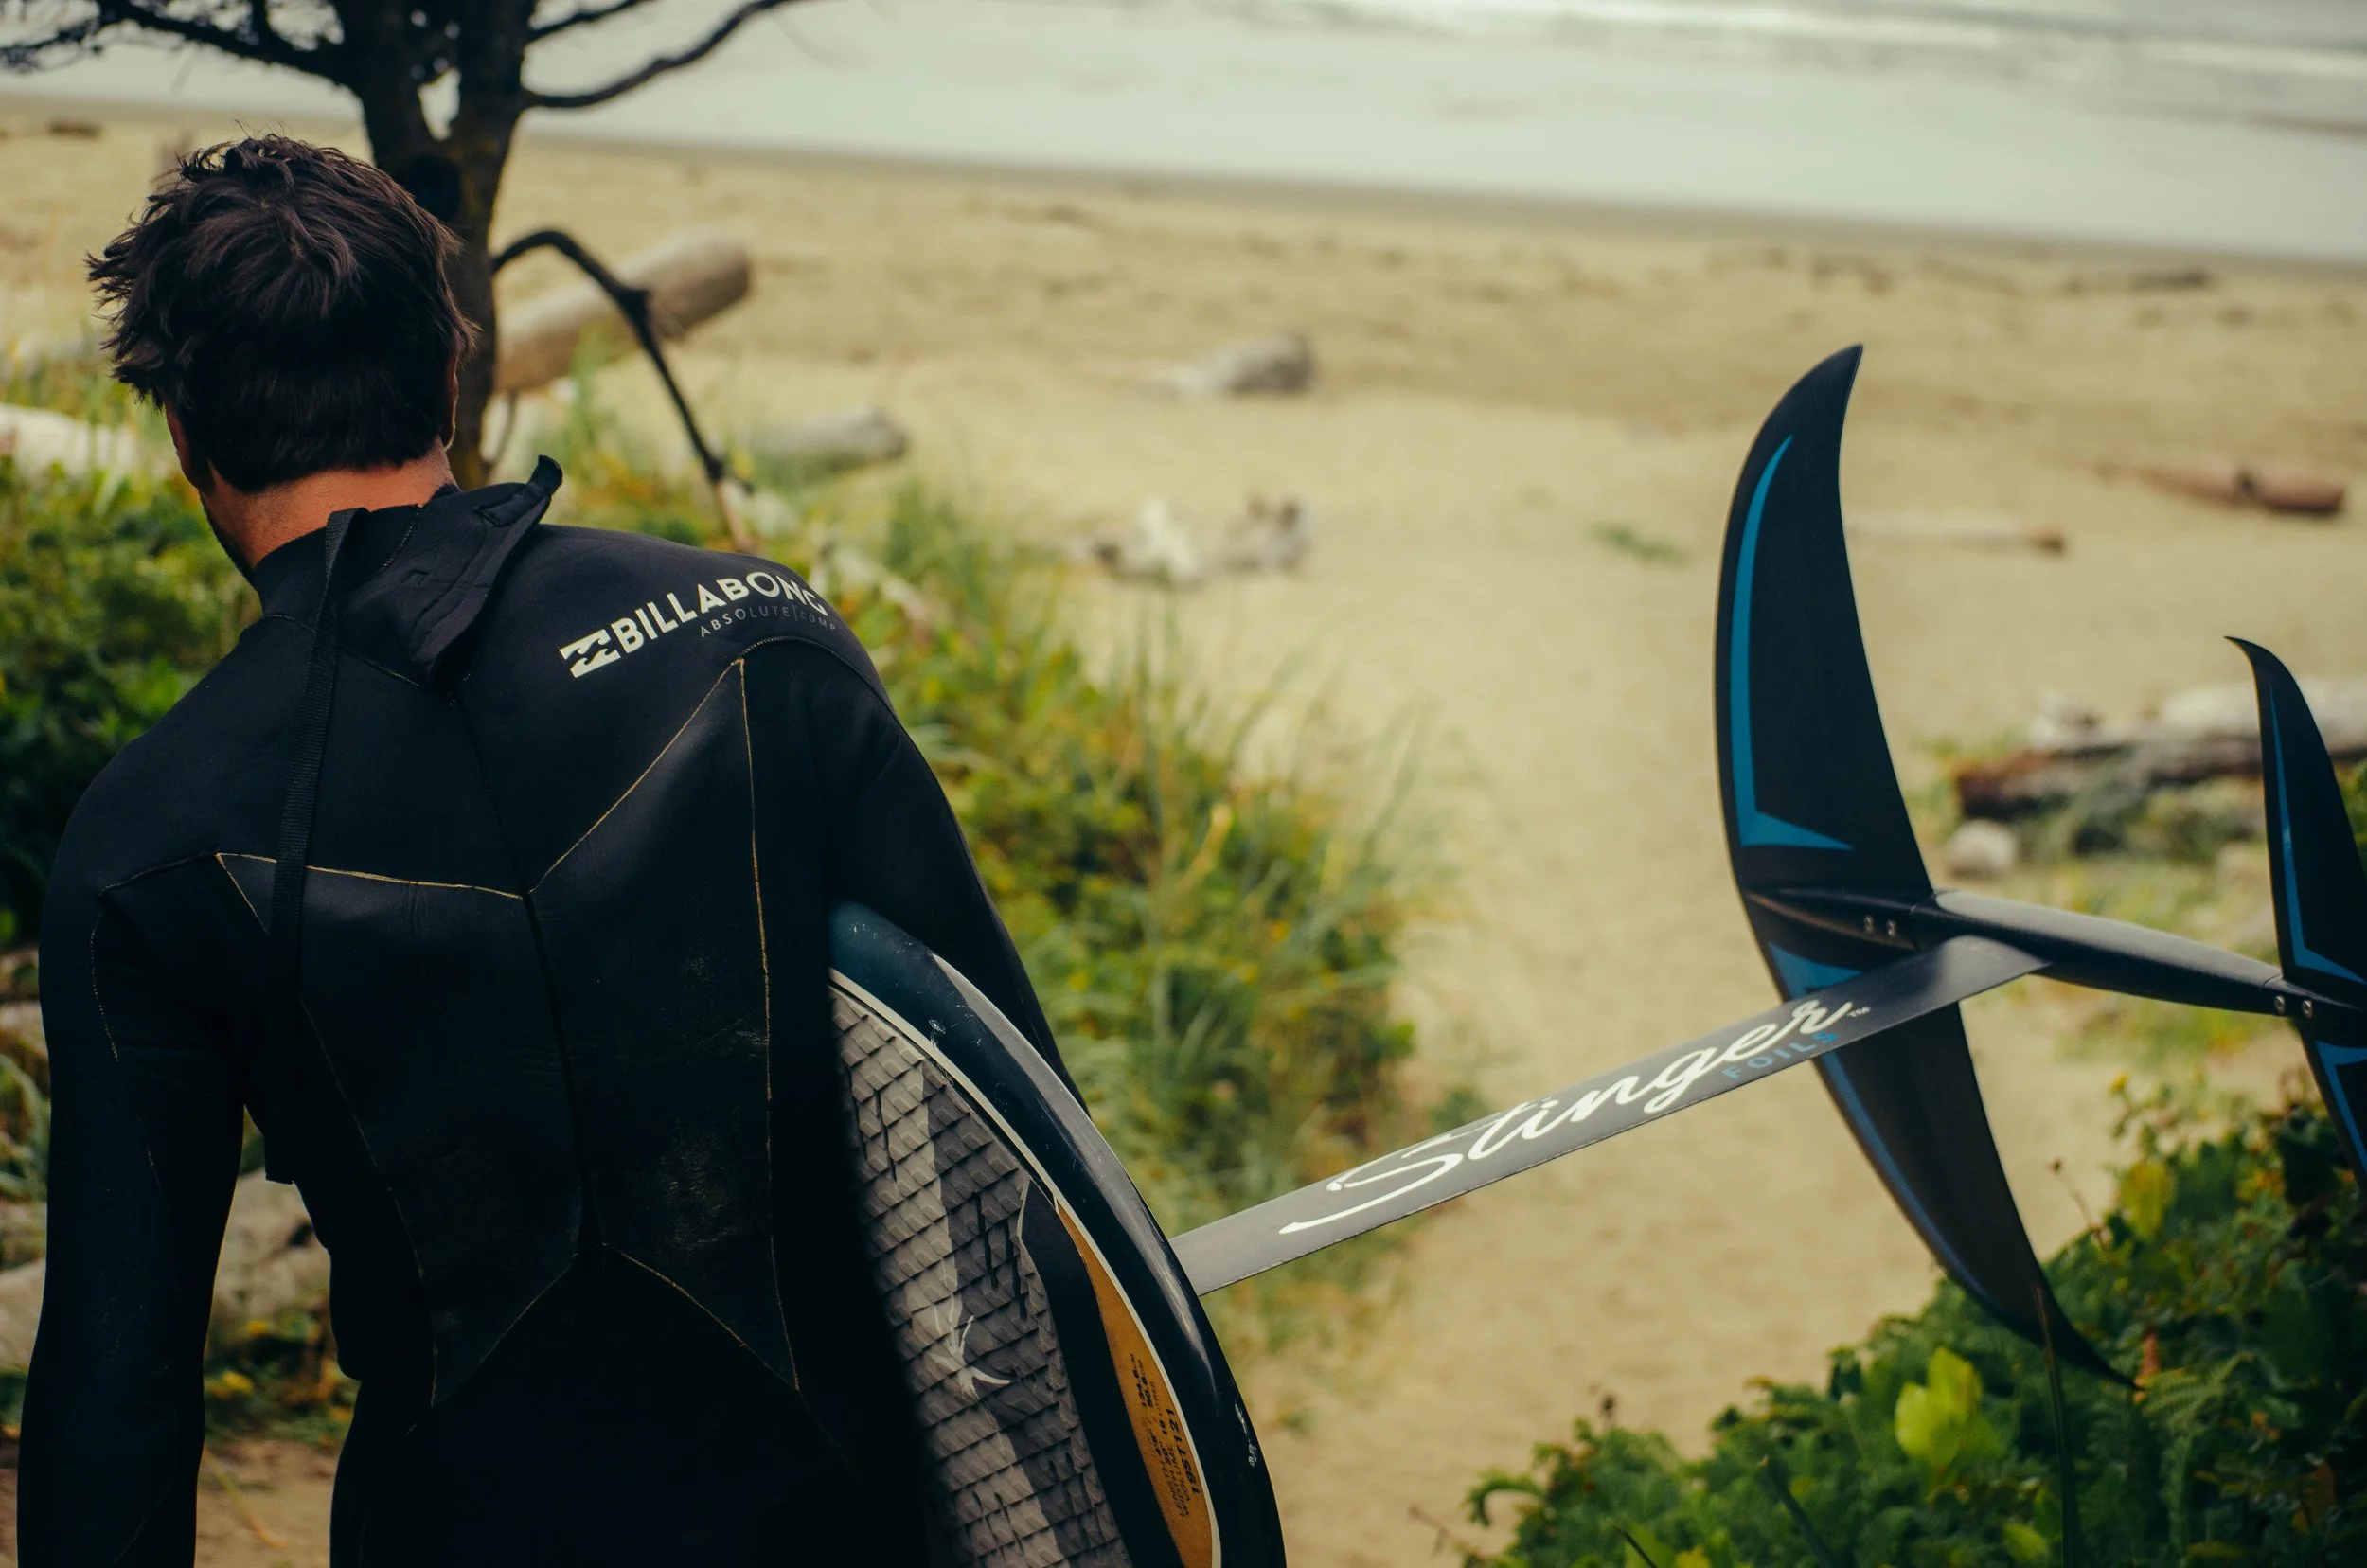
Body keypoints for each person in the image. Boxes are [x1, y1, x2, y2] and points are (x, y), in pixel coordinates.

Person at [23, 135, 1067, 1565]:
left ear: (184, 442)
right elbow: (1016, 1140)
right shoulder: (755, 634)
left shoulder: (148, 842)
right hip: (844, 1529)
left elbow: (115, 1402)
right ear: (447, 378)